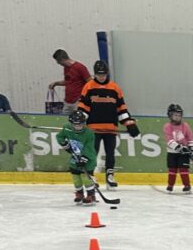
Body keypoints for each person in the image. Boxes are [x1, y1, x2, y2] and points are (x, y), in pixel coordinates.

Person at [77, 60, 139, 188]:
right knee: (92, 153)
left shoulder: (115, 88)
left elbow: (121, 108)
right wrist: (79, 120)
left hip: (110, 128)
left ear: (107, 73)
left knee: (110, 153)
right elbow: (84, 107)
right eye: (99, 74)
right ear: (95, 74)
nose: (101, 77)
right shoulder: (88, 87)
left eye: (104, 74)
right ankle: (90, 175)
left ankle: (110, 176)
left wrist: (129, 123)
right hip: (93, 129)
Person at [55, 107, 97, 205]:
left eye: (80, 124)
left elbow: (90, 148)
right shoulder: (67, 128)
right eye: (75, 124)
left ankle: (91, 195)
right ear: (71, 123)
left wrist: (84, 158)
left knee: (86, 177)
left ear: (84, 123)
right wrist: (65, 144)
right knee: (76, 177)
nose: (78, 127)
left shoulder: (89, 133)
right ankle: (79, 194)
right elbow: (60, 136)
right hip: (74, 158)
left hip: (88, 160)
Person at [163, 103, 193, 192]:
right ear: (170, 116)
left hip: (184, 152)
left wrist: (192, 147)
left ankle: (187, 185)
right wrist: (178, 147)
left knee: (183, 169)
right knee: (172, 169)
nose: (177, 117)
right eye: (175, 115)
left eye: (179, 115)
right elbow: (169, 139)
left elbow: (190, 137)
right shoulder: (167, 126)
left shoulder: (185, 126)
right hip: (172, 152)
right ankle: (170, 185)